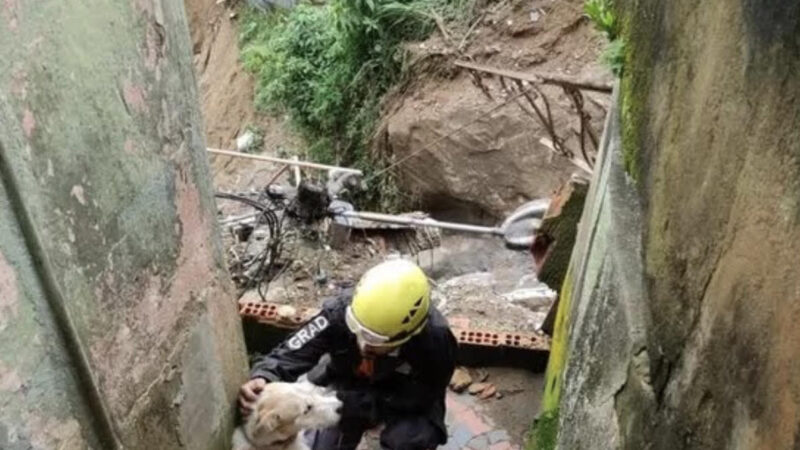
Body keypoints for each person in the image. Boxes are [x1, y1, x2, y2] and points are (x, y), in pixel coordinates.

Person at [238, 259, 457, 450]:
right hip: (348, 378)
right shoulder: (339, 310)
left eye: (374, 340)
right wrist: (265, 375)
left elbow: (425, 395)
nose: (362, 344)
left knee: (409, 440)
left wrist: (361, 405)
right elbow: (296, 349)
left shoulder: (436, 342)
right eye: (356, 329)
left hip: (402, 395)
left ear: (406, 334)